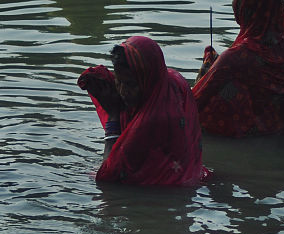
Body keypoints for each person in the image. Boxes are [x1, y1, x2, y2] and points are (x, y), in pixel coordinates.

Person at [77, 35, 208, 185]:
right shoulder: (172, 80)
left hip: (165, 191)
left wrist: (114, 116)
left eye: (130, 84)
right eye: (118, 81)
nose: (122, 90)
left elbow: (107, 176)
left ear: (148, 79)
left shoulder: (150, 121)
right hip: (191, 175)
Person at [192, 0, 284, 137]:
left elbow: (193, 104)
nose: (233, 4)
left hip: (243, 145)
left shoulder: (236, 58)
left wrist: (206, 73)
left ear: (246, 4)